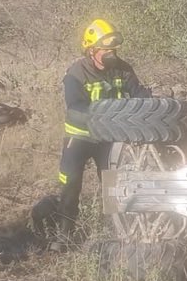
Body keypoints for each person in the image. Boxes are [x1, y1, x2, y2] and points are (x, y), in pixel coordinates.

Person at [54, 18, 151, 235]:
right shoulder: (76, 73)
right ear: (91, 51)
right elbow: (75, 107)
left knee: (113, 186)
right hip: (80, 138)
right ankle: (64, 234)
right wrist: (101, 118)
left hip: (109, 138)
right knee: (70, 184)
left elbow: (139, 95)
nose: (112, 55)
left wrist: (156, 104)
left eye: (114, 50)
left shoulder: (123, 69)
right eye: (106, 51)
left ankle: (115, 232)